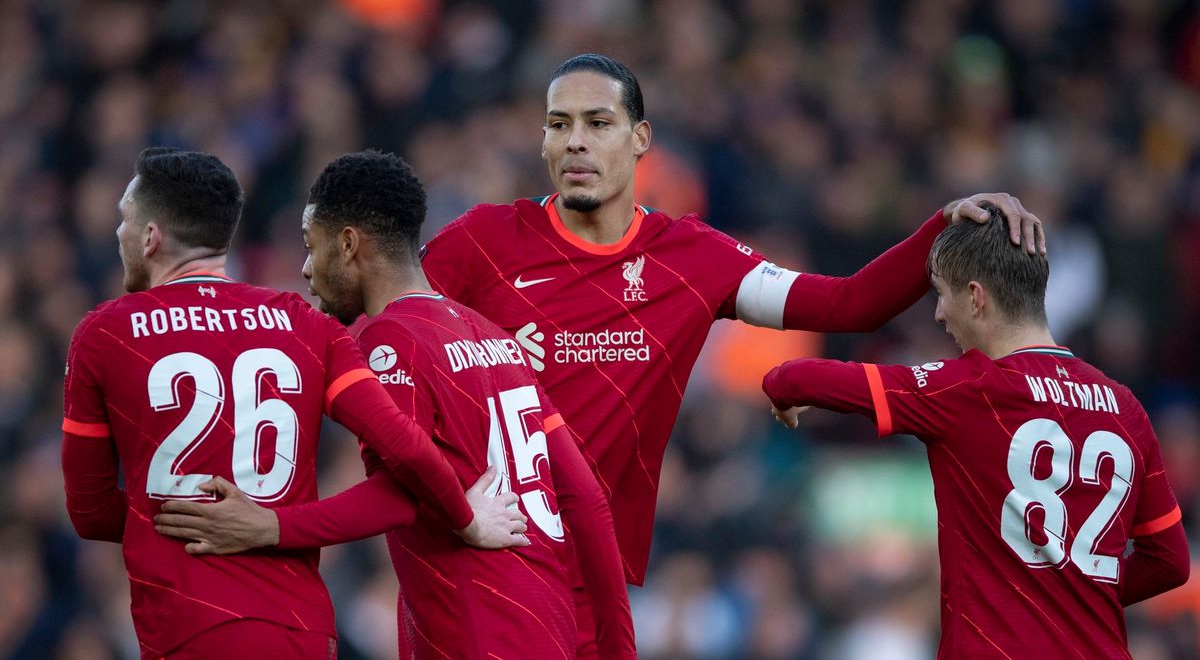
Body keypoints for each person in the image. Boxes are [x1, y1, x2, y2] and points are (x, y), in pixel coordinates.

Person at [416, 51, 1046, 654]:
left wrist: (941, 228)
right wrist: (448, 493)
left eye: (597, 123)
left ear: (640, 139)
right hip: (483, 566)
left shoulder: (692, 259)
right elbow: (383, 346)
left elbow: (846, 305)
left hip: (594, 583)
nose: (575, 141)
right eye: (559, 125)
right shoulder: (480, 243)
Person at [154, 151, 637, 659]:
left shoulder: (390, 340)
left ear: (346, 245)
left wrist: (270, 527)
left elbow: (400, 494)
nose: (304, 268)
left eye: (310, 247)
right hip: (546, 625)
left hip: (479, 628)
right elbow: (587, 498)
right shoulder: (497, 341)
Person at [61, 148, 526, 659]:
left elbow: (89, 513)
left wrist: (169, 520)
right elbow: (407, 447)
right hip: (302, 628)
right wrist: (469, 519)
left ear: (150, 237)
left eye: (124, 220)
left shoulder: (105, 334)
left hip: (191, 626)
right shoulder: (305, 324)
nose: (118, 234)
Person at [762, 205, 1189, 657]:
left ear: (975, 296)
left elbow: (793, 377)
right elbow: (1169, 562)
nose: (939, 315)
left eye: (942, 295)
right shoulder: (1126, 407)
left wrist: (784, 394)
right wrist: (1072, 602)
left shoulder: (968, 390)